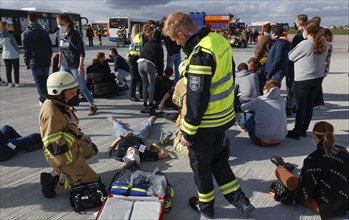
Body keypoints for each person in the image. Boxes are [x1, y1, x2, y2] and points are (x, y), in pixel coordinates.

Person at [163, 11, 254, 218]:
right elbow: (228, 77)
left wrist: (187, 132)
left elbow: (197, 99)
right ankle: (241, 201)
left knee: (201, 170)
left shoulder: (199, 55)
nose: (176, 45)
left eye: (174, 40)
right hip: (222, 119)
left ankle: (206, 211)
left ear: (182, 34)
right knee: (219, 161)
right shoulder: (218, 41)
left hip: (204, 124)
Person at [268, 121, 349, 219]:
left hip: (326, 207)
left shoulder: (313, 159)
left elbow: (303, 194)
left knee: (285, 176)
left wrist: (280, 197)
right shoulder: (343, 151)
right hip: (346, 203)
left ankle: (282, 168)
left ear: (314, 136)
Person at [39, 71, 100, 199]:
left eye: (75, 91)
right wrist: (73, 128)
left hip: (71, 145)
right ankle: (54, 181)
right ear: (58, 93)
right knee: (94, 181)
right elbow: (55, 148)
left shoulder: (62, 103)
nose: (75, 95)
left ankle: (74, 171)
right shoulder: (51, 114)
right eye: (72, 93)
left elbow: (68, 126)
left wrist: (80, 136)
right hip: (62, 156)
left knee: (92, 149)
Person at [287, 21, 329, 140]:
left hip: (304, 78)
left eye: (303, 30)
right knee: (309, 105)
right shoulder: (324, 43)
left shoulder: (306, 44)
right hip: (317, 77)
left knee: (300, 106)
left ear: (308, 31)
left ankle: (297, 131)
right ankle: (304, 129)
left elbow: (290, 56)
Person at [56, 13, 97, 115]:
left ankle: (92, 105)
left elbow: (82, 52)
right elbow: (60, 49)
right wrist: (59, 62)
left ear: (68, 23)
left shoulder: (75, 34)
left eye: (61, 23)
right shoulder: (60, 33)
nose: (60, 26)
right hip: (64, 65)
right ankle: (69, 107)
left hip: (75, 65)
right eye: (58, 23)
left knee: (82, 87)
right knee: (65, 87)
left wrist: (80, 67)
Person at [240, 80, 287, 146]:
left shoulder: (259, 100)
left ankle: (243, 126)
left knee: (248, 113)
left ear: (266, 89)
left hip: (261, 141)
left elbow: (243, 108)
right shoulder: (282, 100)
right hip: (279, 140)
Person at [22, 11, 53, 106]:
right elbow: (50, 47)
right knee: (46, 80)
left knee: (39, 81)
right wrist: (48, 57)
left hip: (35, 61)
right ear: (37, 19)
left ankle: (43, 99)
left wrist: (26, 62)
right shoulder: (44, 32)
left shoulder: (26, 33)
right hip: (46, 61)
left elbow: (26, 50)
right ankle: (46, 98)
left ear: (28, 19)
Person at [138, 24, 164, 114]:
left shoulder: (147, 43)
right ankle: (150, 105)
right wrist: (160, 74)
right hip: (149, 64)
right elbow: (160, 61)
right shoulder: (158, 46)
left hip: (140, 63)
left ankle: (144, 103)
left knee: (144, 84)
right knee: (151, 84)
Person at [286, 14, 308, 116]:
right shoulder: (307, 36)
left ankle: (291, 106)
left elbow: (292, 54)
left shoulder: (298, 36)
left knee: (291, 88)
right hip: (305, 68)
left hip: (295, 67)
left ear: (299, 23)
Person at [126, 23, 153, 102]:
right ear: (145, 31)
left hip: (137, 59)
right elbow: (139, 52)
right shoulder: (139, 39)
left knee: (140, 78)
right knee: (134, 78)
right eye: (150, 33)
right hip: (132, 60)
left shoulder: (144, 38)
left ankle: (142, 94)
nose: (151, 35)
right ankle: (132, 95)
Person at [314, 27, 333, 108]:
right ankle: (319, 102)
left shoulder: (322, 44)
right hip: (325, 67)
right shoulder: (329, 45)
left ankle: (319, 102)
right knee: (318, 85)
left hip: (320, 67)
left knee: (317, 86)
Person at [0, 21, 21, 88]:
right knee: (16, 69)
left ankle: (10, 83)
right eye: (7, 25)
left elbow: (0, 46)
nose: (8, 26)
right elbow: (15, 45)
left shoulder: (0, 36)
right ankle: (17, 83)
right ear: (4, 26)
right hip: (13, 54)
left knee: (8, 69)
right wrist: (17, 51)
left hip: (5, 55)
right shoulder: (9, 35)